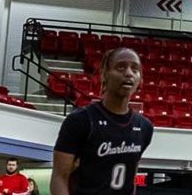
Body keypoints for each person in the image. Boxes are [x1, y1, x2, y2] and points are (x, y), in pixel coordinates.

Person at [52, 48, 153, 195]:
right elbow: (59, 178)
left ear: (140, 79)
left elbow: (131, 180)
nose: (129, 73)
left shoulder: (144, 127)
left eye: (135, 69)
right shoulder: (80, 120)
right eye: (121, 67)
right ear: (104, 74)